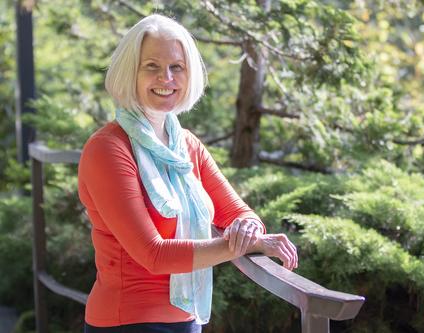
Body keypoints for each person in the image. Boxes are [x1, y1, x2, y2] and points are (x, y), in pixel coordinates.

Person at [78, 14, 298, 333]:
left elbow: (238, 213)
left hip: (188, 320)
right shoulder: (108, 149)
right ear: (130, 73)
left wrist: (250, 230)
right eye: (151, 66)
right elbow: (153, 254)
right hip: (127, 323)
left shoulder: (186, 146)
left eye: (176, 67)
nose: (166, 78)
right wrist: (247, 245)